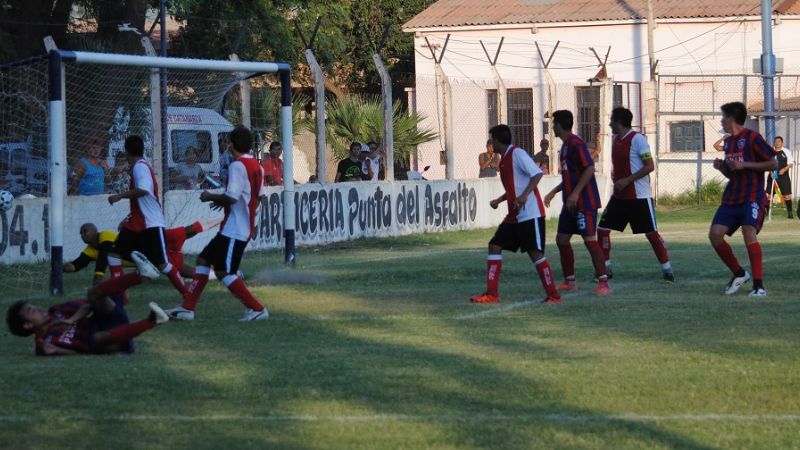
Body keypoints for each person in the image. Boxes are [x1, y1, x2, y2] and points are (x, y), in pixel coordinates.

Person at [165, 126, 269, 322]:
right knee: (203, 260)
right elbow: (254, 196)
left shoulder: (237, 166)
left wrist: (209, 196)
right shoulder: (257, 166)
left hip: (235, 229)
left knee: (224, 272)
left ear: (232, 144)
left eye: (228, 142)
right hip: (235, 227)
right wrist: (226, 203)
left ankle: (257, 309)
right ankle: (187, 308)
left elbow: (233, 196)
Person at [470, 125, 561, 304]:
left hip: (530, 214)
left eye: (492, 140)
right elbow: (516, 186)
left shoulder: (517, 153)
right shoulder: (504, 160)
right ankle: (492, 294)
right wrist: (499, 200)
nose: (491, 143)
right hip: (514, 216)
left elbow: (537, 174)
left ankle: (554, 295)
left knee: (535, 254)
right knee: (494, 245)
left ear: (498, 141)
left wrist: (525, 195)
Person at [6, 255, 167, 356]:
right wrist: (57, 351)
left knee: (93, 293)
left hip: (108, 317)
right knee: (96, 340)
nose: (38, 309)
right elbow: (76, 352)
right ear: (28, 325)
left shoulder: (56, 311)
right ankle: (153, 320)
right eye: (31, 310)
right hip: (105, 340)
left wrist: (71, 320)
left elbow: (89, 305)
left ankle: (141, 275)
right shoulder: (43, 345)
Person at [596, 107, 675, 283]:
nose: (609, 124)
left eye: (611, 120)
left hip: (639, 197)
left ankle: (667, 270)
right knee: (602, 230)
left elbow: (650, 166)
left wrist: (627, 180)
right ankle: (605, 269)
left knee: (651, 234)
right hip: (619, 197)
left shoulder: (638, 139)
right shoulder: (616, 140)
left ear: (618, 122)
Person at [107, 135, 189, 296]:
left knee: (163, 264)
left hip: (150, 224)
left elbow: (144, 190)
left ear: (127, 151)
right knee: (114, 254)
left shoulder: (140, 167)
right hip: (136, 224)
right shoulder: (139, 166)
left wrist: (119, 196)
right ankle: (119, 294)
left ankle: (187, 294)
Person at [710, 102, 777, 297]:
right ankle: (739, 274)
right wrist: (722, 168)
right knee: (715, 235)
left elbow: (773, 163)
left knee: (749, 232)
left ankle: (759, 286)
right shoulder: (728, 142)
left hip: (752, 196)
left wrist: (744, 164)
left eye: (723, 117)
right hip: (732, 196)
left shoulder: (753, 137)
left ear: (731, 118)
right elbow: (733, 173)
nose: (721, 121)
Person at [543, 110, 610, 295]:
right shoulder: (565, 146)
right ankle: (570, 281)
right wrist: (554, 192)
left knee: (589, 240)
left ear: (560, 125)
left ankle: (603, 282)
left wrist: (575, 194)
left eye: (554, 123)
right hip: (570, 203)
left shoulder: (576, 144)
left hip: (584, 203)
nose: (552, 127)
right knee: (562, 239)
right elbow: (570, 176)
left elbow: (589, 169)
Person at [765, 136, 794, 218]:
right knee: (770, 195)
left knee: (786, 195)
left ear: (782, 143)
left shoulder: (786, 151)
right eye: (776, 141)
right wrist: (771, 172)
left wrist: (784, 169)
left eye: (779, 141)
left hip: (783, 176)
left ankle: (790, 213)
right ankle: (767, 213)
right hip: (772, 176)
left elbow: (791, 163)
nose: (777, 143)